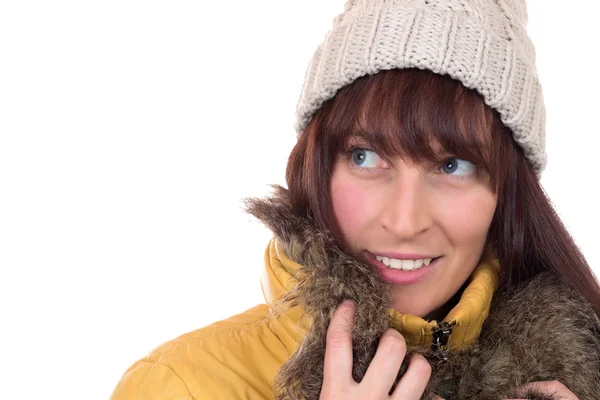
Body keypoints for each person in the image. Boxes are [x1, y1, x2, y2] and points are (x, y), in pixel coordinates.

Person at [110, 0, 600, 399]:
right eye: (365, 157)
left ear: (508, 193)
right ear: (315, 168)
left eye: (453, 165)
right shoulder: (178, 386)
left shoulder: (579, 372)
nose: (405, 221)